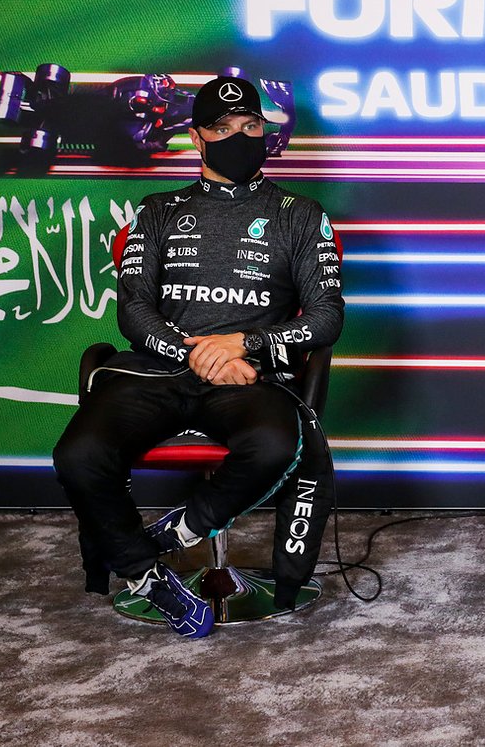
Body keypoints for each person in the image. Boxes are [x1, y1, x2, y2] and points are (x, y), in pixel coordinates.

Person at [53, 75, 344, 638]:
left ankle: (180, 531)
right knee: (78, 454)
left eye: (250, 126)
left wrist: (245, 344)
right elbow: (134, 313)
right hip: (156, 372)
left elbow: (327, 317)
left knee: (276, 443)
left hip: (249, 376)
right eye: (222, 127)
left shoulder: (302, 214)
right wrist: (200, 355)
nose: (239, 137)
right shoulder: (157, 211)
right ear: (197, 138)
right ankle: (148, 578)